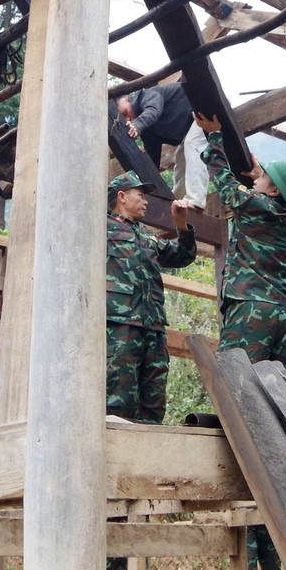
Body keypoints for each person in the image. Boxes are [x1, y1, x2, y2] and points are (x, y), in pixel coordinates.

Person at [193, 112, 286, 570]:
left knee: (238, 393)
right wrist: (261, 170)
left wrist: (216, 141)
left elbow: (223, 184)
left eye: (260, 178)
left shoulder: (256, 206)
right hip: (285, 314)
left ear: (270, 189)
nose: (253, 180)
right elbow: (261, 186)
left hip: (253, 309)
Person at [104, 172, 196, 425]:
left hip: (153, 326)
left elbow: (183, 256)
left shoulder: (148, 237)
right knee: (118, 398)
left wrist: (181, 226)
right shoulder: (99, 227)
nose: (146, 202)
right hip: (120, 324)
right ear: (122, 196)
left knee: (154, 398)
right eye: (141, 195)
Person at [115, 83, 208, 209]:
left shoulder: (148, 95)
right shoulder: (148, 131)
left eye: (125, 113)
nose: (128, 119)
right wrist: (147, 182)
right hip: (193, 123)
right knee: (181, 158)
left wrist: (138, 125)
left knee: (192, 144)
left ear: (127, 100)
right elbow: (153, 160)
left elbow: (153, 110)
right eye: (124, 119)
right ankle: (177, 202)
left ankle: (196, 200)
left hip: (205, 109)